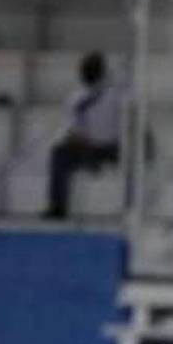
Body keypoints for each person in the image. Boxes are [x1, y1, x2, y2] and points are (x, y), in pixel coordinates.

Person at [44, 52, 123, 219]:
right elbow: (73, 130)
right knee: (59, 153)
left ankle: (57, 208)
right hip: (96, 149)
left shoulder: (113, 94)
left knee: (60, 153)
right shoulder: (80, 97)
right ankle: (58, 207)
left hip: (110, 148)